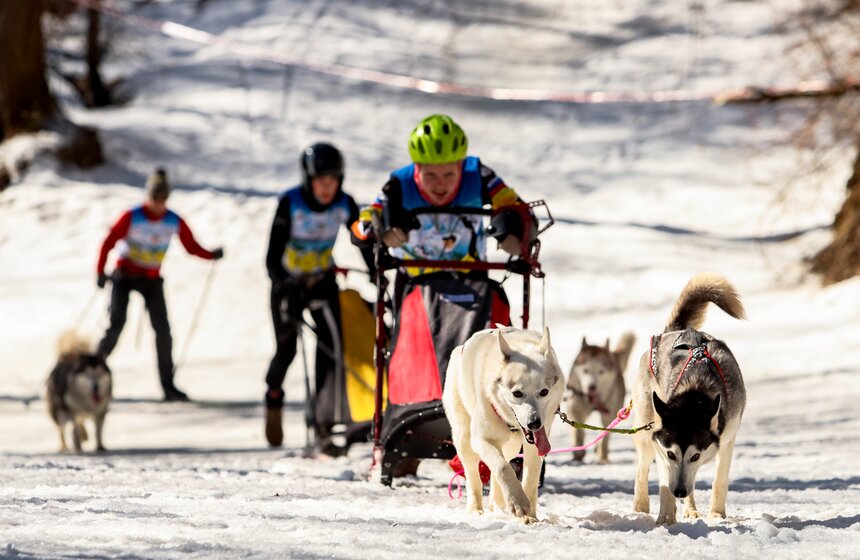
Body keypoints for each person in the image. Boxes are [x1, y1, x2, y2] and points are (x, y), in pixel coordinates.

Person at [351, 113, 534, 477]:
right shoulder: (399, 183)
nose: (439, 183)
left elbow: (520, 210)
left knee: (492, 335)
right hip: (418, 283)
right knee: (411, 341)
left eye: (449, 174)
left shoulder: (479, 175)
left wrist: (512, 227)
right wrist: (380, 227)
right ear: (415, 168)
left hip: (474, 280)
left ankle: (497, 431)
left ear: (460, 165)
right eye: (429, 174)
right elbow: (362, 223)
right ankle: (407, 425)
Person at [264, 142, 372, 453]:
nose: (327, 187)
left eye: (333, 180)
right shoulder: (291, 203)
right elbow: (271, 256)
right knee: (286, 349)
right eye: (320, 180)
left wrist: (376, 272)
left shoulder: (344, 203)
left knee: (332, 349)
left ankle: (323, 426)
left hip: (322, 281)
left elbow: (362, 241)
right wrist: (284, 283)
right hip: (288, 285)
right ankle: (273, 397)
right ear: (308, 179)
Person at [96, 168, 224, 402]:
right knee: (115, 325)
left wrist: (210, 255)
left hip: (151, 280)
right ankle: (93, 372)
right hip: (124, 276)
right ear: (148, 196)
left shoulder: (172, 220)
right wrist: (100, 272)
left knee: (163, 332)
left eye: (163, 198)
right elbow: (109, 241)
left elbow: (191, 246)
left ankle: (168, 386)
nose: (158, 203)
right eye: (155, 198)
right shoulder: (132, 216)